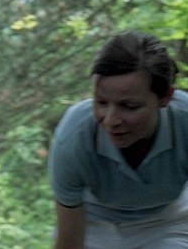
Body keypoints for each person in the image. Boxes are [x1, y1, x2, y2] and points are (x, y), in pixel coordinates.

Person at [49, 30, 188, 249]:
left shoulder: (184, 122)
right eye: (101, 103)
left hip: (166, 222)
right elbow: (70, 238)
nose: (111, 120)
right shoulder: (74, 136)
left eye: (129, 106)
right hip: (92, 225)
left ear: (165, 97)